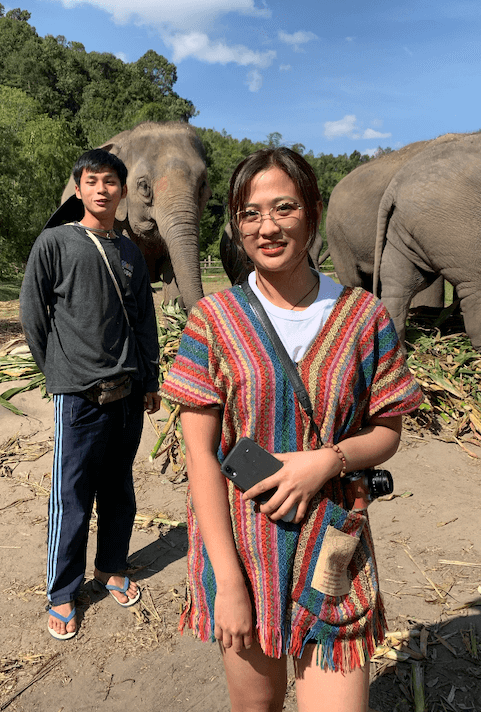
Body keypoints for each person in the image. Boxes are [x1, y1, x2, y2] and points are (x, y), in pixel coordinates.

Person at [160, 148, 423, 711]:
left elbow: (388, 431)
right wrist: (227, 583)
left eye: (284, 208)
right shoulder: (214, 319)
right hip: (241, 552)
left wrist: (328, 461)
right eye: (250, 214)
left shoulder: (363, 316)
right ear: (236, 225)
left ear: (312, 211)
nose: (268, 227)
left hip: (333, 550)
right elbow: (201, 458)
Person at [20, 148, 161, 640]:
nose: (102, 189)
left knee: (119, 486)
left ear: (123, 192)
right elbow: (33, 316)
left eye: (111, 182)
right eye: (93, 181)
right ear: (78, 188)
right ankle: (62, 591)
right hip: (78, 394)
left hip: (128, 390)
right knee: (72, 494)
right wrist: (60, 370)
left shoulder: (128, 251)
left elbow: (144, 317)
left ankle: (111, 564)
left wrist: (150, 379)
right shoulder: (55, 242)